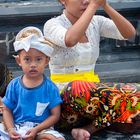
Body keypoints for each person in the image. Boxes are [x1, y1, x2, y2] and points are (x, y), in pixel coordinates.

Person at [43, 0, 139, 139]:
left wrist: (105, 5)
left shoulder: (96, 22)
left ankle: (89, 129)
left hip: (94, 99)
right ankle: (111, 120)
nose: (86, 1)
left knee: (135, 92)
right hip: (65, 101)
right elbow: (70, 40)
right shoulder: (52, 24)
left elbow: (128, 33)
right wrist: (94, 6)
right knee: (77, 87)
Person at [0, 26, 65, 140]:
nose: (33, 64)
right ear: (19, 61)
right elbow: (7, 110)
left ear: (47, 60)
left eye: (38, 59)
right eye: (27, 59)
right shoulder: (14, 85)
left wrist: (37, 129)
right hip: (16, 126)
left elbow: (55, 115)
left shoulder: (50, 88)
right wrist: (11, 129)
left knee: (52, 138)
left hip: (41, 128)